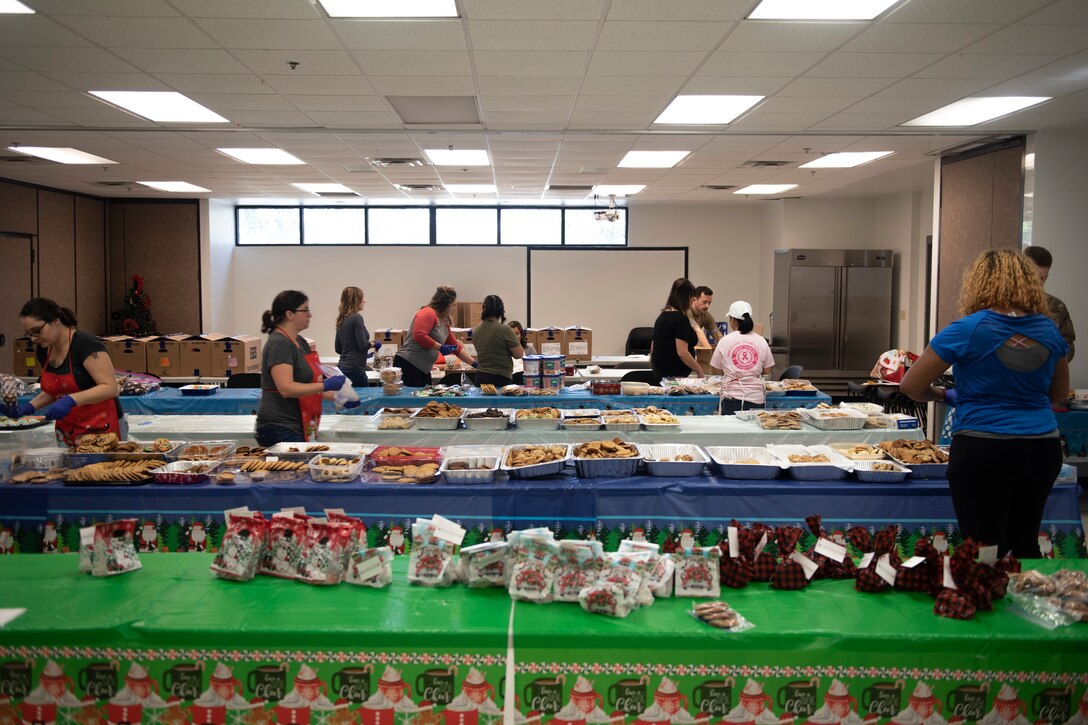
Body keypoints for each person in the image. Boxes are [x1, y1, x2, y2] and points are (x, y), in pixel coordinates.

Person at [900, 249, 1069, 558]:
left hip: (985, 446)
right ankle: (1028, 601)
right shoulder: (1048, 330)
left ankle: (986, 602)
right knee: (1025, 542)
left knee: (984, 548)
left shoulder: (967, 329)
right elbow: (1058, 395)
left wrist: (942, 395)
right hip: (1042, 448)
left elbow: (911, 385)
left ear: (979, 283)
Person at [4, 298, 124, 447]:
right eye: (29, 333)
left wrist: (71, 400)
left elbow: (110, 387)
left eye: (37, 331)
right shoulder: (44, 349)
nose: (33, 338)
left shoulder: (85, 344)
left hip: (101, 427)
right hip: (67, 430)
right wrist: (29, 407)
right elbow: (57, 389)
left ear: (55, 321)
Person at [255, 290, 346, 446]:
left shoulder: (301, 342)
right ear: (290, 314)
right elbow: (286, 388)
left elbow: (307, 384)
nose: (309, 315)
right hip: (279, 427)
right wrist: (325, 385)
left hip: (301, 424)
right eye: (305, 310)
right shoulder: (279, 343)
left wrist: (339, 397)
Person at [394, 285, 478, 388]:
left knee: (425, 399)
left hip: (423, 367)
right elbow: (419, 335)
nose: (453, 308)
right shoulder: (427, 312)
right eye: (453, 305)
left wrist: (475, 364)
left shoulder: (443, 321)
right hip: (409, 363)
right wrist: (440, 347)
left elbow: (457, 348)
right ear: (445, 304)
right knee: (413, 400)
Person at [710, 300, 775, 414]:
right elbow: (767, 370)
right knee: (752, 431)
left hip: (731, 397)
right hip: (756, 397)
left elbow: (715, 369)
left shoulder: (725, 341)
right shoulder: (761, 340)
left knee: (731, 431)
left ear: (733, 320)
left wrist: (732, 372)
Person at [1023, 245, 1076, 361]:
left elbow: (1068, 345)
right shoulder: (1006, 304)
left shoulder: (1057, 307)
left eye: (1043, 278)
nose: (1038, 283)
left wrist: (1050, 360)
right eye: (1034, 277)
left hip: (1045, 374)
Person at [650, 278, 705, 384]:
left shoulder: (661, 317)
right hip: (675, 376)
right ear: (686, 297)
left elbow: (653, 347)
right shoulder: (681, 319)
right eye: (691, 297)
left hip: (660, 374)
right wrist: (699, 370)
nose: (693, 300)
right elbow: (682, 352)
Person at [472, 296, 525, 387]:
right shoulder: (505, 330)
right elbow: (519, 354)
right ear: (501, 310)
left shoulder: (476, 331)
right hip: (500, 378)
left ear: (483, 309)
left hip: (480, 377)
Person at [334, 286, 373, 387]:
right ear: (356, 301)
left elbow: (338, 348)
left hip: (342, 368)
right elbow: (363, 345)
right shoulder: (357, 318)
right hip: (355, 370)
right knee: (364, 402)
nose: (364, 301)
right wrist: (373, 344)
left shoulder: (341, 319)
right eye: (362, 298)